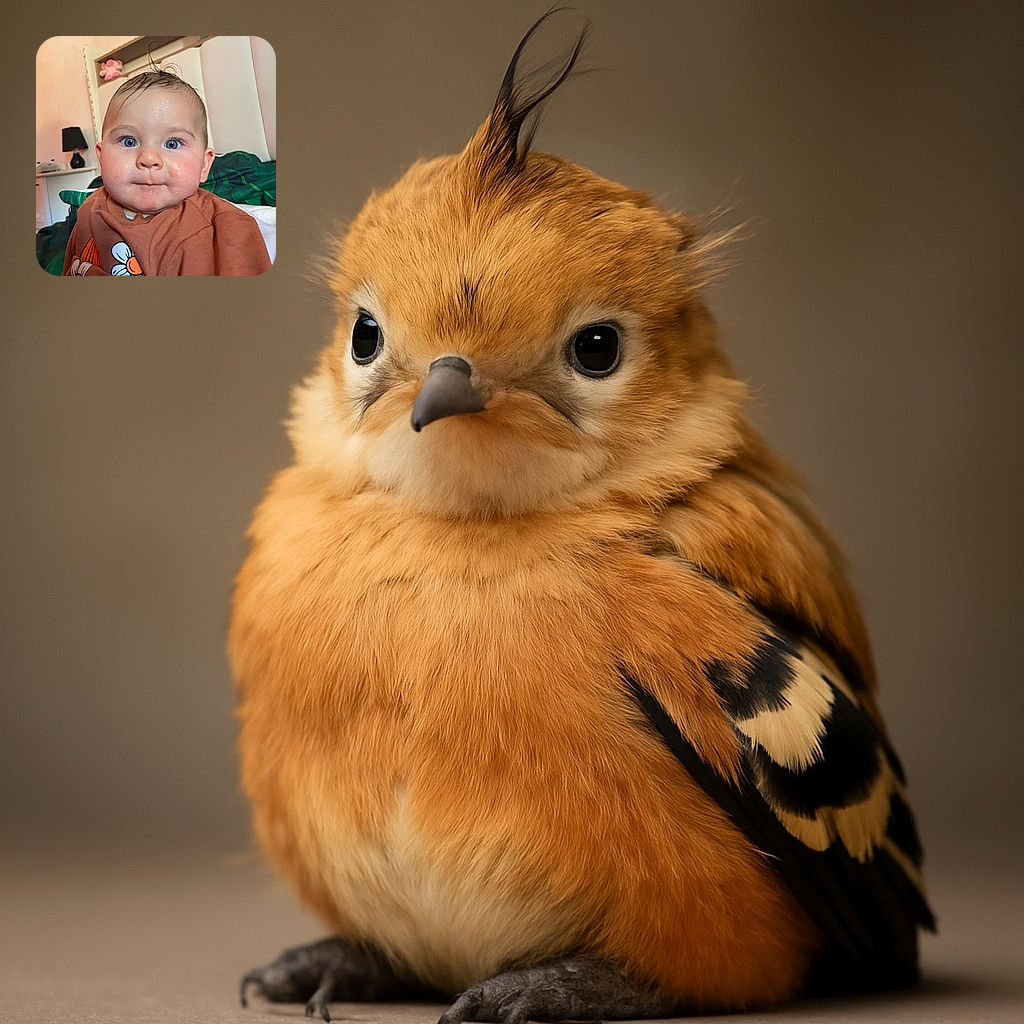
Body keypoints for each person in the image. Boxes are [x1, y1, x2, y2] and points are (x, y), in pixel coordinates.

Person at [63, 70, 271, 276]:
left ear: (204, 165)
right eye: (129, 141)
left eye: (172, 143)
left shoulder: (229, 229)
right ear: (101, 156)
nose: (149, 159)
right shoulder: (88, 210)